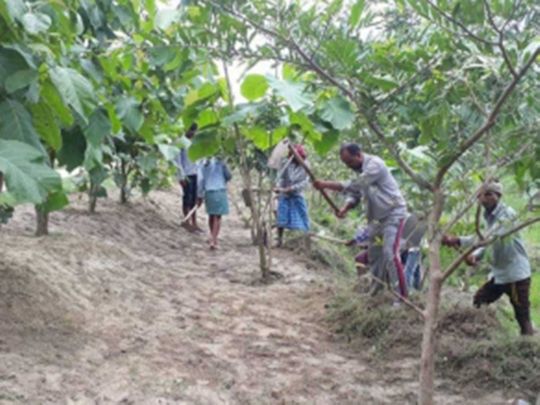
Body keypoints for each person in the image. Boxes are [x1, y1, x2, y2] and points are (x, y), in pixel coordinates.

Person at [313, 143, 409, 298]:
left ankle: (402, 297)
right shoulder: (361, 169)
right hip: (376, 221)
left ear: (358, 154)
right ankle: (375, 293)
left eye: (350, 162)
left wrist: (326, 184)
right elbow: (356, 195)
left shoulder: (375, 165)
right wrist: (345, 208)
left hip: (393, 215)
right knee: (375, 256)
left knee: (390, 254)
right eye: (346, 164)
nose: (349, 166)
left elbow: (357, 186)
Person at [442, 182, 534, 336]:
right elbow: (485, 241)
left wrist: (461, 244)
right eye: (481, 195)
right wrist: (469, 251)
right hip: (500, 274)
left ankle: (529, 347)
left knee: (522, 315)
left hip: (515, 275)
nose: (484, 199)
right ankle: (479, 334)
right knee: (479, 301)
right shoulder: (489, 216)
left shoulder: (507, 215)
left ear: (498, 196)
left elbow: (490, 238)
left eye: (489, 194)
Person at [273, 144, 310, 247]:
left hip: (297, 194)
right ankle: (279, 240)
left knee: (302, 216)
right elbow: (281, 177)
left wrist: (291, 188)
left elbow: (305, 182)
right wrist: (278, 187)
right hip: (284, 194)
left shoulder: (306, 165)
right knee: (281, 218)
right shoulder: (287, 163)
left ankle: (303, 241)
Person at [197, 156, 232, 250]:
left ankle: (212, 236)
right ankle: (214, 239)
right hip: (219, 190)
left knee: (211, 215)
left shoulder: (202, 162)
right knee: (218, 217)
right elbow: (228, 176)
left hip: (208, 191)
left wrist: (199, 195)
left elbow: (200, 180)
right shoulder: (220, 161)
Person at [175, 123, 200, 232]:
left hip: (196, 174)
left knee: (195, 199)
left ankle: (194, 222)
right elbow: (178, 161)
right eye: (192, 130)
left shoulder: (196, 142)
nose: (194, 133)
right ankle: (187, 221)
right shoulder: (180, 143)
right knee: (187, 198)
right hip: (187, 174)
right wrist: (181, 176)